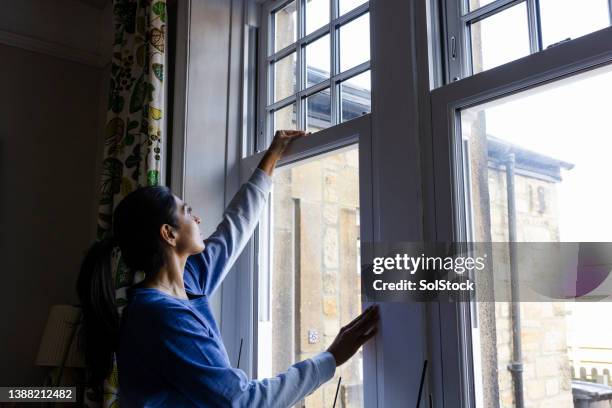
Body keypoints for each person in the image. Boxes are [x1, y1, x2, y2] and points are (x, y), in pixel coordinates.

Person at [76, 130, 379, 407]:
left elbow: (234, 229)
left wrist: (271, 159)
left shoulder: (188, 280)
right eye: (187, 211)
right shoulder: (161, 316)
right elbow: (241, 402)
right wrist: (330, 359)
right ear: (169, 234)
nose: (196, 219)